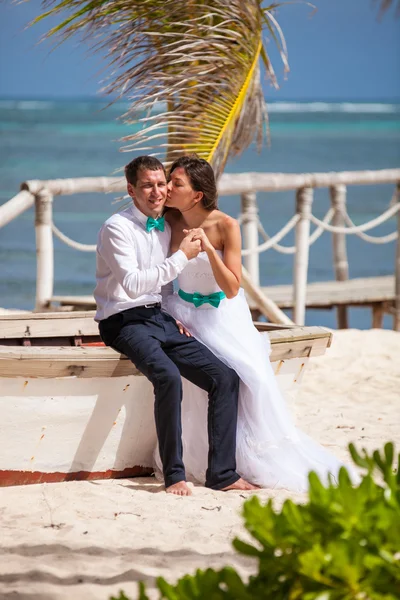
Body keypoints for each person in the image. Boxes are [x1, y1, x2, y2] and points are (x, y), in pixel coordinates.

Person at [160, 155, 356, 492]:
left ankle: (240, 460)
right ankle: (204, 459)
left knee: (251, 379)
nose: (167, 189)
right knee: (198, 386)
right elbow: (161, 277)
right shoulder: (168, 221)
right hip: (182, 314)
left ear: (197, 195)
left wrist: (208, 249)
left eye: (176, 184)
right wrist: (169, 315)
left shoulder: (226, 226)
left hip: (221, 316)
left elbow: (233, 287)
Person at [94, 155, 257, 496]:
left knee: (224, 378)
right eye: (146, 186)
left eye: (160, 184)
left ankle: (222, 474)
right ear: (131, 190)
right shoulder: (116, 228)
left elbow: (165, 287)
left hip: (160, 316)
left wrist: (173, 315)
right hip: (122, 321)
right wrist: (183, 255)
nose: (157, 192)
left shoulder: (168, 223)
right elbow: (135, 285)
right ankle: (174, 476)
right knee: (168, 377)